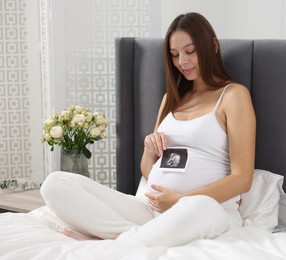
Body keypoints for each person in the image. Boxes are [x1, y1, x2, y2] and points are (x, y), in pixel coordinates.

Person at [40, 12, 256, 247]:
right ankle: (131, 235)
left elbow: (242, 178)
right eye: (174, 55)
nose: (182, 62)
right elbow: (148, 172)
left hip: (206, 210)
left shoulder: (233, 96)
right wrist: (149, 149)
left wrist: (180, 200)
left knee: (202, 207)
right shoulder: (170, 100)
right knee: (54, 184)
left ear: (213, 46)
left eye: (190, 51)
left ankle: (114, 240)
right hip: (150, 208)